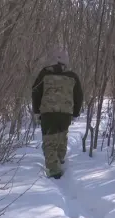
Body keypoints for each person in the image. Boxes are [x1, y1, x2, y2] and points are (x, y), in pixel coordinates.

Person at [31, 49, 83, 179]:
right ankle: (60, 159)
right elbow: (79, 95)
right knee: (61, 137)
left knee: (49, 141)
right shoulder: (72, 76)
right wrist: (75, 112)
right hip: (65, 114)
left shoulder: (44, 74)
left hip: (48, 113)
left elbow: (35, 91)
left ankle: (55, 171)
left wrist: (37, 110)